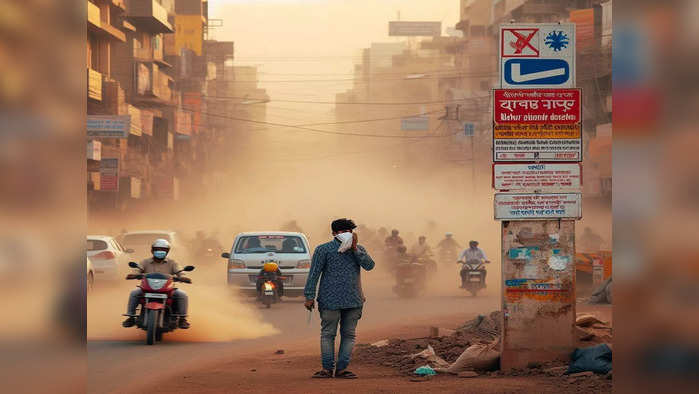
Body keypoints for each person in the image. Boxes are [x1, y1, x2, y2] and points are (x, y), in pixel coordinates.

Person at [304, 218, 375, 379]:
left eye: (349, 231)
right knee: (329, 334)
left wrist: (355, 249)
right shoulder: (323, 250)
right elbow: (314, 274)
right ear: (334, 234)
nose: (347, 234)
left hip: (352, 300)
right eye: (343, 232)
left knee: (346, 335)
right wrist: (309, 296)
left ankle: (340, 369)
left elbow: (370, 266)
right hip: (332, 301)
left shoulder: (358, 250)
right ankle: (328, 368)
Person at [122, 239, 190, 329]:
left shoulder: (172, 262)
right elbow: (137, 270)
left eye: (163, 250)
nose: (160, 251)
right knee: (134, 293)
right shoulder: (145, 262)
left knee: (182, 294)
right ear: (152, 250)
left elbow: (180, 271)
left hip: (167, 289)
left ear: (167, 251)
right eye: (157, 249)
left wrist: (183, 277)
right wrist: (134, 275)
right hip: (146, 288)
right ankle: (130, 317)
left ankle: (182, 319)